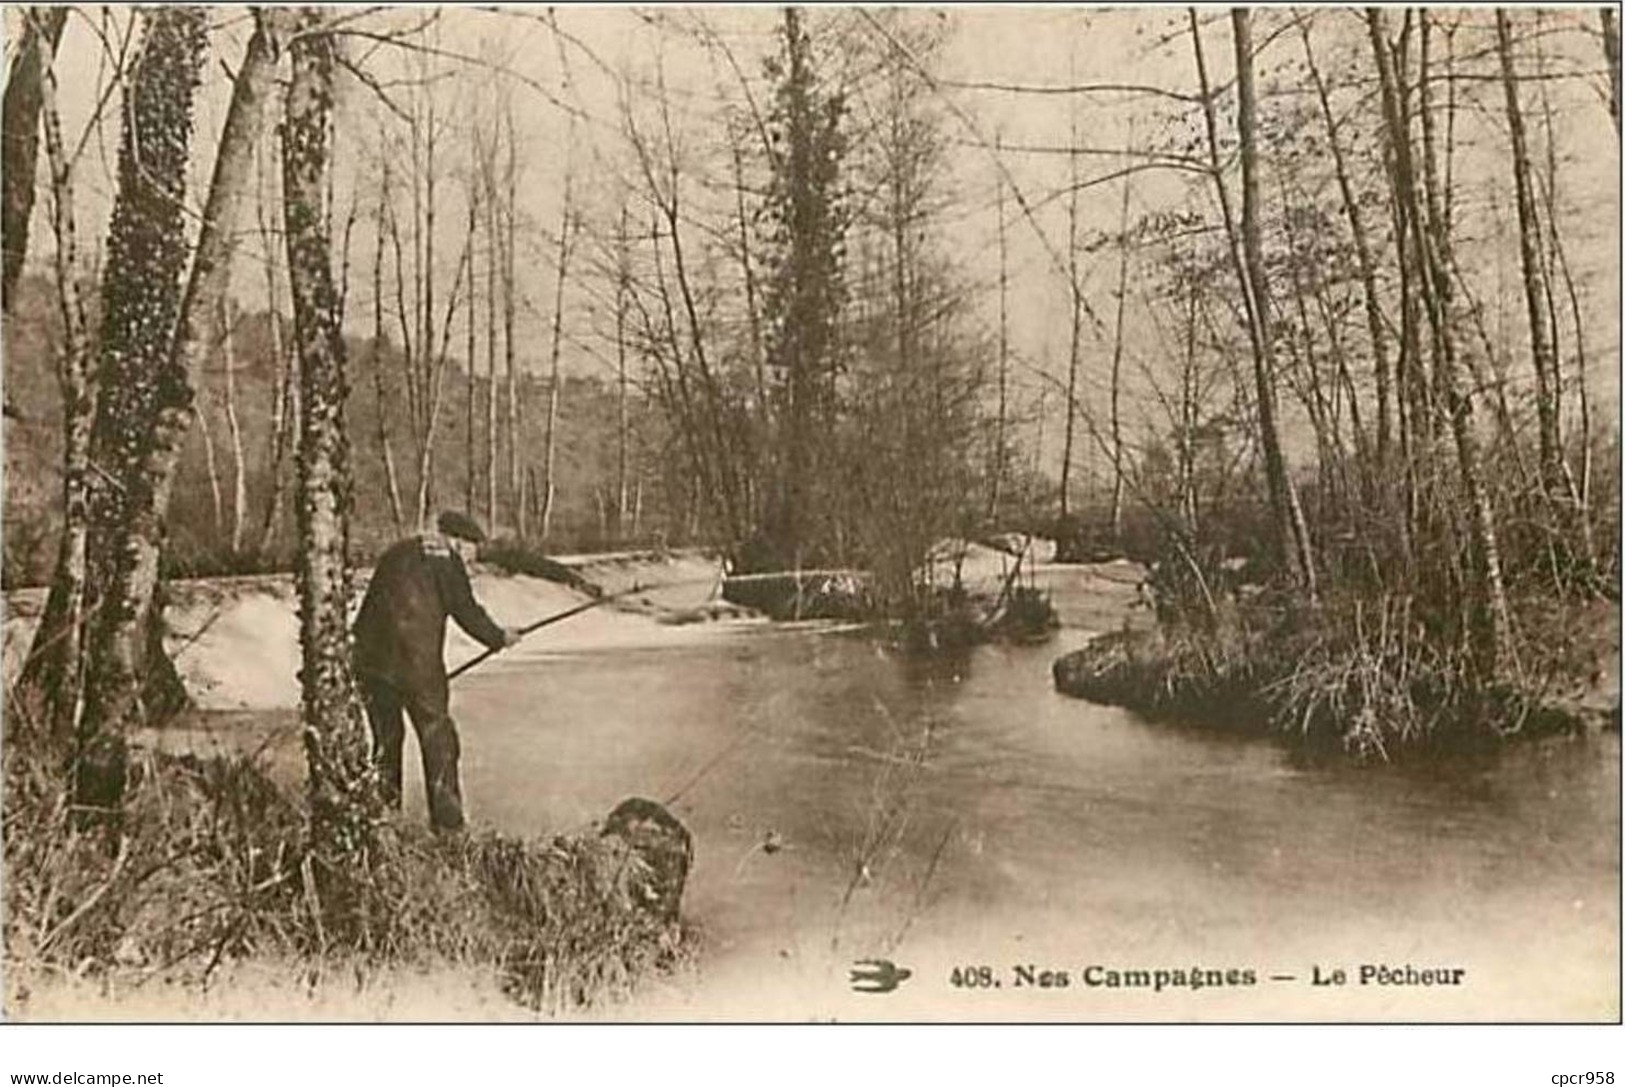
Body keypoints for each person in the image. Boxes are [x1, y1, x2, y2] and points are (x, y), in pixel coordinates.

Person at [352, 511, 521, 832]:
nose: (471, 559)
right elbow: (465, 610)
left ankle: (383, 822)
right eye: (471, 549)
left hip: (370, 664)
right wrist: (499, 637)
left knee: (386, 742)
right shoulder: (447, 559)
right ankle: (448, 829)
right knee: (439, 742)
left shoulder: (397, 553)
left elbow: (369, 612)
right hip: (418, 668)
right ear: (458, 540)